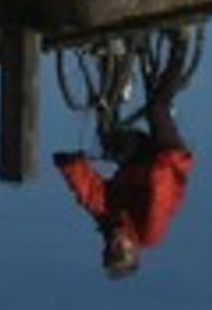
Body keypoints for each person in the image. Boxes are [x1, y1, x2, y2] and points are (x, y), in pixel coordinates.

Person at [53, 31, 196, 279]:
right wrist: (154, 168)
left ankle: (116, 65)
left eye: (109, 250)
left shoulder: (109, 221)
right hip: (167, 161)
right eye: (121, 251)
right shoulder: (150, 232)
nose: (113, 245)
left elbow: (90, 194)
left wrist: (70, 166)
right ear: (134, 249)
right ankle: (181, 47)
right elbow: (161, 193)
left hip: (137, 164)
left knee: (108, 136)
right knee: (157, 109)